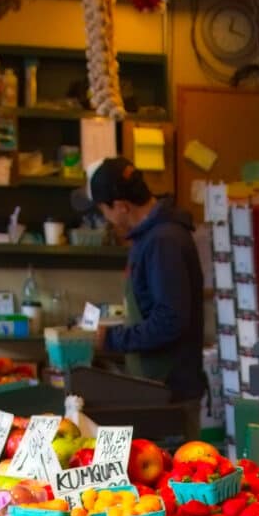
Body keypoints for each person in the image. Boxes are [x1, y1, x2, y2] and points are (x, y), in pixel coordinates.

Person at [81, 158, 206, 400]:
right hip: (156, 383)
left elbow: (169, 320)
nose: (106, 219)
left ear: (121, 206)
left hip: (170, 392)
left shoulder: (163, 241)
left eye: (104, 211)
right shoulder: (150, 237)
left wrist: (112, 338)